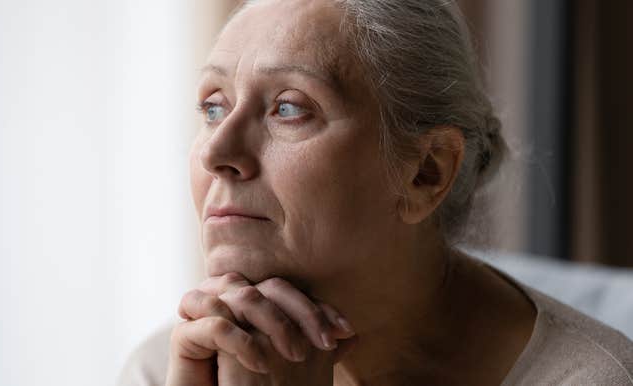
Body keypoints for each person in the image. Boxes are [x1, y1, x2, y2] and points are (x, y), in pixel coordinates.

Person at [119, 0, 633, 384]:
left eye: (289, 107)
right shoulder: (171, 368)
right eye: (213, 106)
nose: (216, 152)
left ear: (425, 173)